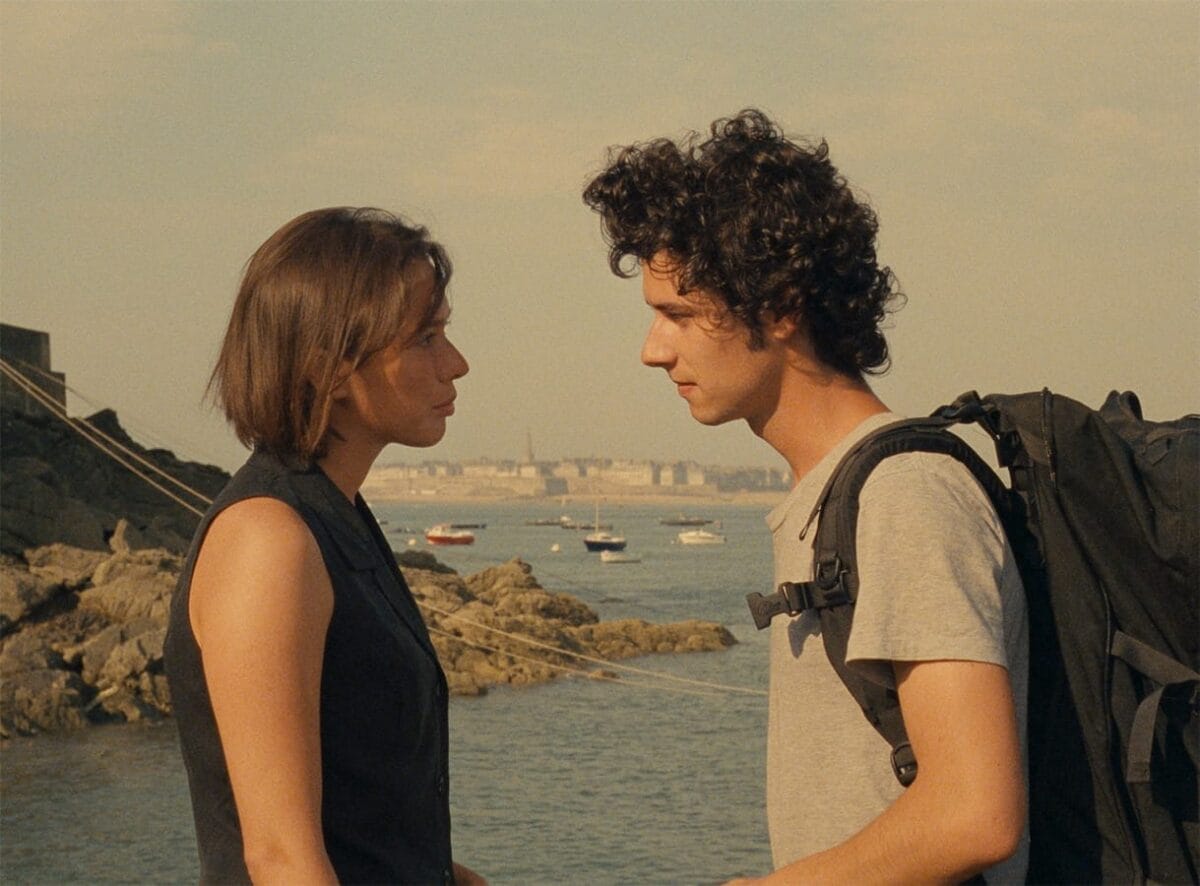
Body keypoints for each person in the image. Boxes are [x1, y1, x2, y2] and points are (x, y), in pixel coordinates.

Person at [583, 110, 1029, 883]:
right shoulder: (829, 496)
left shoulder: (905, 496)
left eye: (678, 315)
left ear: (782, 307)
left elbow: (973, 813)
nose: (653, 351)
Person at [164, 207, 485, 885]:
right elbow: (281, 858)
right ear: (329, 366)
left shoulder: (336, 519)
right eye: (426, 338)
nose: (456, 363)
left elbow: (359, 821)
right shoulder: (269, 542)